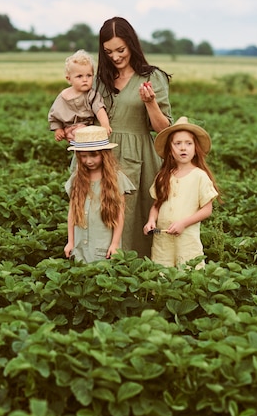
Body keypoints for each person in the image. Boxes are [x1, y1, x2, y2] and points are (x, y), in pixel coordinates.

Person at [95, 16, 173, 257]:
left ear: (132, 44)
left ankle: (135, 279)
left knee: (131, 219)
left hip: (137, 155)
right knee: (98, 215)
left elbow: (163, 128)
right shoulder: (99, 80)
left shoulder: (152, 77)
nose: (115, 57)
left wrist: (150, 103)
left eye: (120, 50)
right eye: (108, 52)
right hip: (100, 154)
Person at [143, 117, 221, 268]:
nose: (183, 148)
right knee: (162, 273)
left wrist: (183, 223)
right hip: (163, 241)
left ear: (195, 148)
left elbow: (207, 209)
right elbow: (156, 205)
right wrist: (151, 220)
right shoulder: (163, 176)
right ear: (170, 150)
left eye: (188, 143)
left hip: (186, 239)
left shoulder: (199, 176)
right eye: (177, 144)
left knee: (188, 273)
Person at [64, 125, 135, 263]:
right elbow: (72, 212)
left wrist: (114, 244)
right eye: (83, 156)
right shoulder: (76, 179)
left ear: (104, 154)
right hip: (80, 246)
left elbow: (120, 215)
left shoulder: (116, 179)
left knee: (102, 276)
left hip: (103, 245)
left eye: (94, 155)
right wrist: (70, 241)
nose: (88, 161)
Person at [48, 49, 111, 142]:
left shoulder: (91, 94)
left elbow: (99, 109)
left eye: (89, 75)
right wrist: (58, 130)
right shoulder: (64, 96)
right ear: (69, 79)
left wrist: (105, 124)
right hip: (70, 130)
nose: (85, 79)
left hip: (87, 128)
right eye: (79, 76)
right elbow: (55, 116)